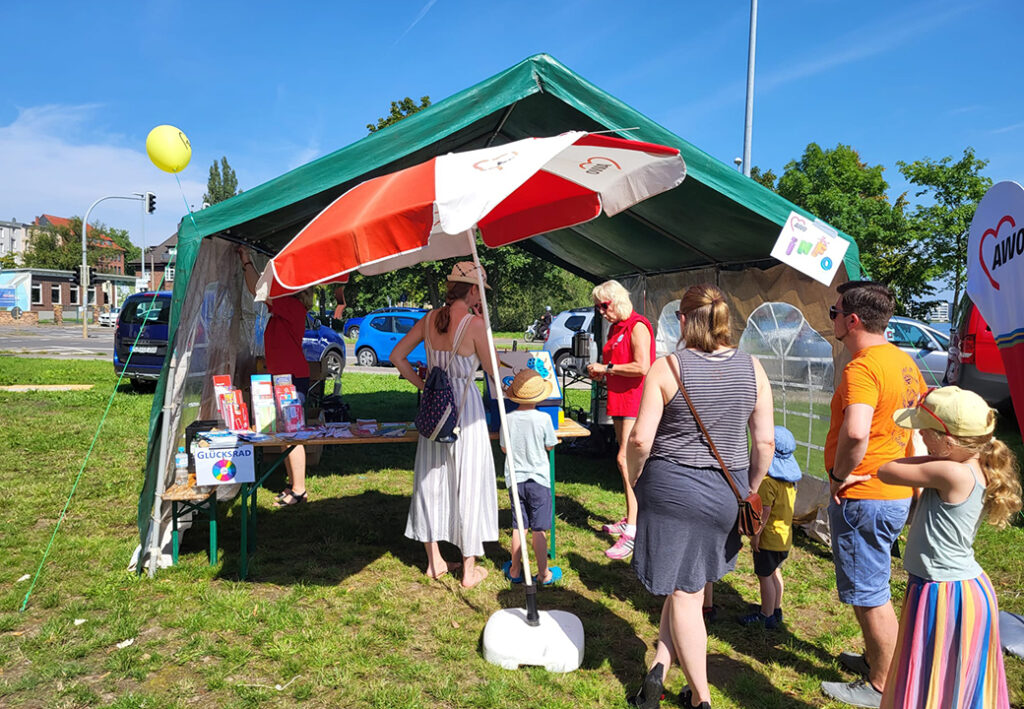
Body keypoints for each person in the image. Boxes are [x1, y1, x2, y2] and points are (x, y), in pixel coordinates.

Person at [626, 283, 775, 709]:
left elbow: (639, 440)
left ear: (684, 320)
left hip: (670, 490)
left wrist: (636, 481)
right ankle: (658, 668)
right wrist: (749, 486)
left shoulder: (667, 367)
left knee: (687, 596)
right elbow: (764, 443)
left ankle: (701, 699)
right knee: (685, 584)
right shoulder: (753, 369)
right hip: (724, 493)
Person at [876, 386, 1020, 709]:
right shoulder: (974, 465)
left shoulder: (950, 472)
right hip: (953, 589)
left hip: (944, 594)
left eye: (925, 433)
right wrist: (933, 449)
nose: (920, 438)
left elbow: (886, 470)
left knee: (935, 673)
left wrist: (924, 452)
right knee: (946, 676)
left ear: (949, 441)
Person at [820, 280, 928, 708]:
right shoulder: (904, 362)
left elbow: (858, 430)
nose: (832, 320)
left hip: (864, 494)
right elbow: (916, 428)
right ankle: (877, 659)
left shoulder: (862, 367)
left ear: (852, 319)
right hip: (893, 491)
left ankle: (882, 684)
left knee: (869, 593)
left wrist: (838, 473)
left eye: (834, 312)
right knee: (875, 583)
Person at [391, 261, 499, 588]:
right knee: (470, 480)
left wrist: (424, 387)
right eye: (480, 290)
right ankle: (469, 568)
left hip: (435, 410)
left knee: (431, 480)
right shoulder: (476, 325)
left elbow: (398, 355)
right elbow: (495, 371)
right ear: (471, 290)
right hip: (466, 413)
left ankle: (435, 561)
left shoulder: (428, 320)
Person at [585, 280, 655, 560]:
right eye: (598, 307)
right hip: (618, 399)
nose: (601, 311)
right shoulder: (616, 328)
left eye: (604, 305)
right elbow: (618, 364)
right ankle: (631, 517)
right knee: (624, 459)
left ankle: (635, 530)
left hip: (635, 400)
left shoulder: (638, 325)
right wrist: (603, 372)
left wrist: (608, 367)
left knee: (627, 461)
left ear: (617, 300)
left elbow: (643, 366)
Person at [238, 246, 313, 507]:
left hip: (290, 379)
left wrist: (246, 261)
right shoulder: (288, 306)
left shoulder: (290, 306)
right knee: (286, 433)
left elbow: (255, 288)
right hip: (285, 377)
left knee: (293, 434)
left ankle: (300, 489)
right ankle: (294, 485)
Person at [499, 369, 562, 586]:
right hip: (539, 480)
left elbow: (505, 449)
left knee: (519, 525)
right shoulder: (544, 419)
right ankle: (543, 573)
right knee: (539, 528)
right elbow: (550, 445)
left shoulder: (507, 418)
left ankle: (515, 570)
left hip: (515, 479)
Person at [739, 425, 802, 630]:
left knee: (764, 576)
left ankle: (765, 615)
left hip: (769, 539)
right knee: (775, 572)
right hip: (784, 539)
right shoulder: (789, 484)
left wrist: (755, 535)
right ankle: (776, 610)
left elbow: (763, 514)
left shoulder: (768, 483)